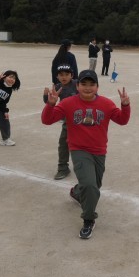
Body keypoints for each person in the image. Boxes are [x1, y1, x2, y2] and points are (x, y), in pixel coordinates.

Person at [41, 70, 131, 239]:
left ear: (97, 86)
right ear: (77, 86)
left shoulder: (106, 104)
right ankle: (88, 219)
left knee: (95, 186)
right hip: (79, 150)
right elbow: (47, 120)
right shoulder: (68, 103)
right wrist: (50, 104)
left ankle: (77, 192)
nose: (88, 88)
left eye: (92, 84)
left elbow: (122, 120)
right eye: (84, 84)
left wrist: (125, 106)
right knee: (90, 186)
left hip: (99, 151)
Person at [44, 65, 78, 180]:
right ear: (57, 77)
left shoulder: (77, 84)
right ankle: (63, 167)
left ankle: (89, 163)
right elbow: (49, 103)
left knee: (84, 143)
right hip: (68, 121)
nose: (64, 77)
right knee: (63, 143)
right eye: (61, 75)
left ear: (71, 76)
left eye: (67, 74)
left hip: (81, 119)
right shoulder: (57, 87)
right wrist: (46, 95)